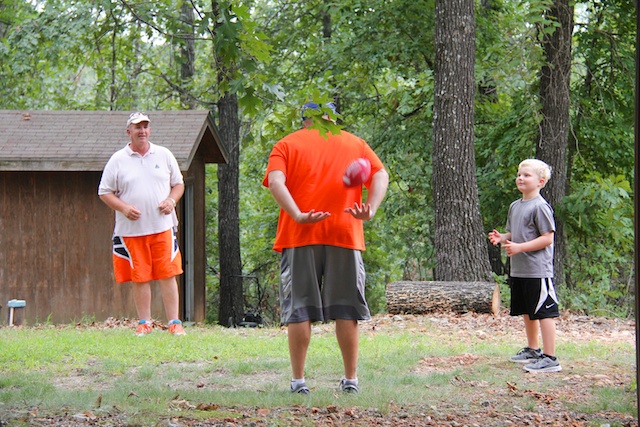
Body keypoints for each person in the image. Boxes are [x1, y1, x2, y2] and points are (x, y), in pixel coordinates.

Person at [263, 102, 389, 394]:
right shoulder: (355, 143)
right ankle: (350, 380)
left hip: (299, 234)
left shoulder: (286, 144)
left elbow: (276, 181)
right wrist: (370, 208)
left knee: (299, 309)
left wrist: (298, 214)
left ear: (304, 119)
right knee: (347, 309)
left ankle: (299, 381)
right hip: (344, 232)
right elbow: (380, 174)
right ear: (332, 118)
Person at [98, 112, 186, 336]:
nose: (142, 131)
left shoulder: (164, 154)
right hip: (132, 231)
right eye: (137, 127)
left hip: (162, 227)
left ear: (150, 130)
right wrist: (124, 208)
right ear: (129, 131)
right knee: (140, 276)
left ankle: (174, 323)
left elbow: (178, 184)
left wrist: (171, 200)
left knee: (168, 274)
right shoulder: (118, 159)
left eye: (145, 127)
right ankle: (144, 323)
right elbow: (104, 192)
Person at [488, 158, 561, 373]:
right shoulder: (515, 206)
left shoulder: (540, 206)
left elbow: (547, 238)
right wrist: (503, 237)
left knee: (544, 312)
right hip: (520, 269)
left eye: (526, 175)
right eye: (519, 174)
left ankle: (550, 358)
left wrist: (519, 248)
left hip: (538, 269)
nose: (520, 178)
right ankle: (533, 350)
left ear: (540, 181)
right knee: (528, 311)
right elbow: (515, 232)